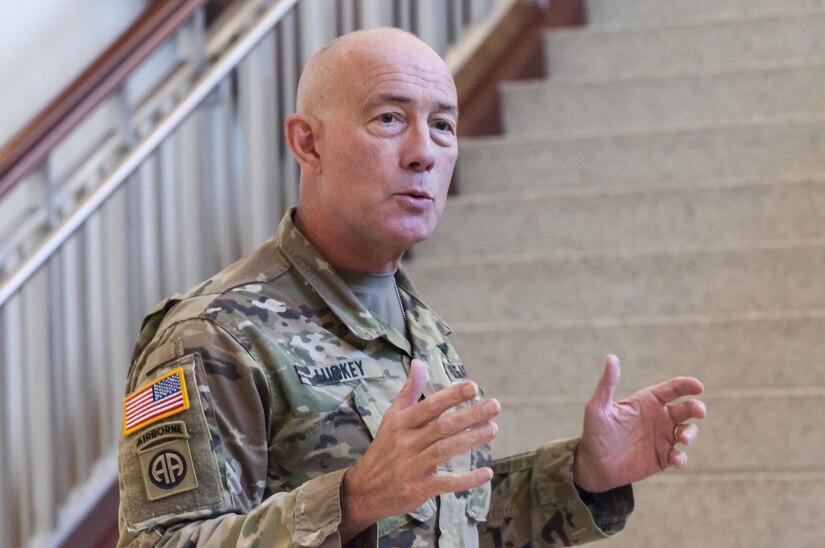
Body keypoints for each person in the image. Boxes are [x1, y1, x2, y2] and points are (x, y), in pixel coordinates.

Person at [116, 27, 706, 547]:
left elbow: (444, 526)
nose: (423, 152)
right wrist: (349, 501)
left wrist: (581, 475)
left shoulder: (411, 320)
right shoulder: (213, 336)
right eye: (389, 119)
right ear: (308, 143)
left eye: (443, 125)